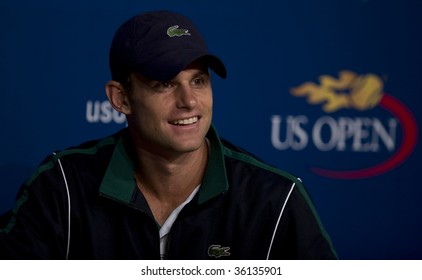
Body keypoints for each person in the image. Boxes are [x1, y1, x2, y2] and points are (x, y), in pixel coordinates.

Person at [0, 10, 337, 260]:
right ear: (121, 98)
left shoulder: (275, 201)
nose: (189, 101)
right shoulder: (62, 188)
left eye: (199, 81)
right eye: (163, 84)